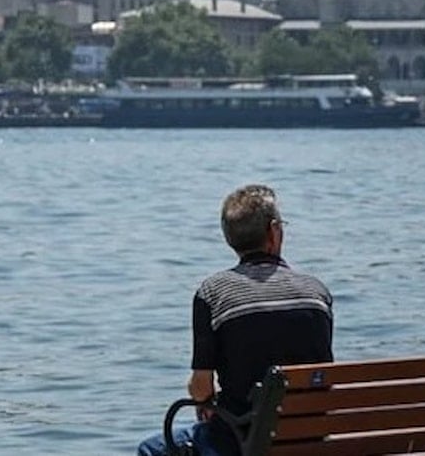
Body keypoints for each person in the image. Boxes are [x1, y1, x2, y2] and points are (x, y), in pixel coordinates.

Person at [137, 184, 334, 456]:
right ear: (274, 231)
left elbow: (201, 385)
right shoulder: (317, 292)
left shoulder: (213, 292)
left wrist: (205, 402)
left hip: (238, 440)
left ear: (230, 238)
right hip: (311, 435)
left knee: (152, 449)